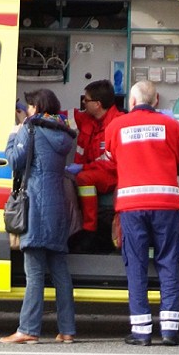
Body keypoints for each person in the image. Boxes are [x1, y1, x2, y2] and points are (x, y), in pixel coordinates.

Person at [104, 80, 179, 346]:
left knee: (137, 265)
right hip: (165, 205)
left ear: (131, 102)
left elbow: (110, 160)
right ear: (156, 101)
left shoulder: (116, 126)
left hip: (132, 207)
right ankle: (169, 331)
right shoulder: (171, 126)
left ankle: (141, 332)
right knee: (167, 262)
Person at [1, 89, 78, 344]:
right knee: (60, 272)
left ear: (35, 107)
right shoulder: (64, 133)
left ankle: (28, 329)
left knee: (34, 273)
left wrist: (14, 133)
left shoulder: (30, 129)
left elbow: (14, 161)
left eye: (30, 106)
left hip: (35, 205)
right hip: (58, 208)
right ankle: (67, 330)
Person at [69, 79, 125, 239]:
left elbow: (112, 162)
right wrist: (39, 112)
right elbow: (61, 116)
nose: (83, 103)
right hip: (93, 171)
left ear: (97, 104)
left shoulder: (118, 123)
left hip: (112, 174)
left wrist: (83, 168)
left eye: (86, 100)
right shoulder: (86, 118)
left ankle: (89, 229)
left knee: (83, 178)